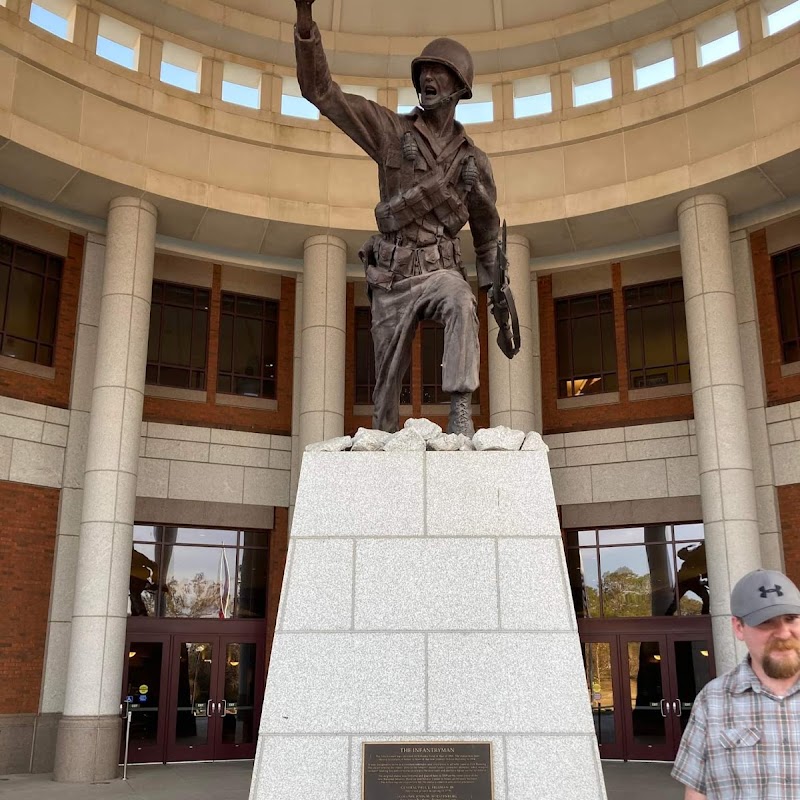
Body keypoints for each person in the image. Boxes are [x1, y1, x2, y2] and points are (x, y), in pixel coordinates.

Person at [293, 0, 514, 435]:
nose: (428, 79)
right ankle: (384, 442)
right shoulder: (390, 131)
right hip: (392, 277)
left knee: (459, 299)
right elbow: (323, 94)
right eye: (423, 72)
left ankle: (460, 411)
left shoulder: (474, 162)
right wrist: (305, 22)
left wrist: (497, 294)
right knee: (385, 402)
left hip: (440, 270)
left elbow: (487, 235)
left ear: (460, 87)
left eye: (440, 72)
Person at [671, 568, 800, 799]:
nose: (783, 633)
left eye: (791, 618)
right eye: (766, 622)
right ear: (739, 628)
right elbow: (697, 792)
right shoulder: (712, 702)